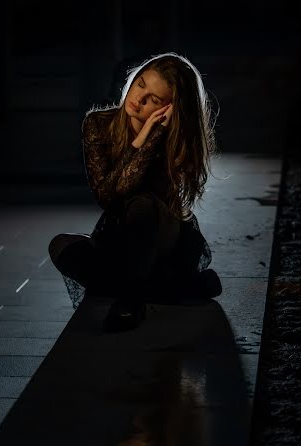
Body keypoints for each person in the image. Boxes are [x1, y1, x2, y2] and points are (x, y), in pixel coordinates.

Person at [48, 52, 222, 332]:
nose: (138, 99)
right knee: (60, 245)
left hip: (161, 235)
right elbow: (107, 197)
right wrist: (141, 139)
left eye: (153, 99)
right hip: (118, 235)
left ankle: (130, 301)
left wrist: (153, 137)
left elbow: (152, 202)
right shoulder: (97, 124)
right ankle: (177, 289)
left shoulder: (172, 138)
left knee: (141, 204)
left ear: (170, 109)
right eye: (140, 84)